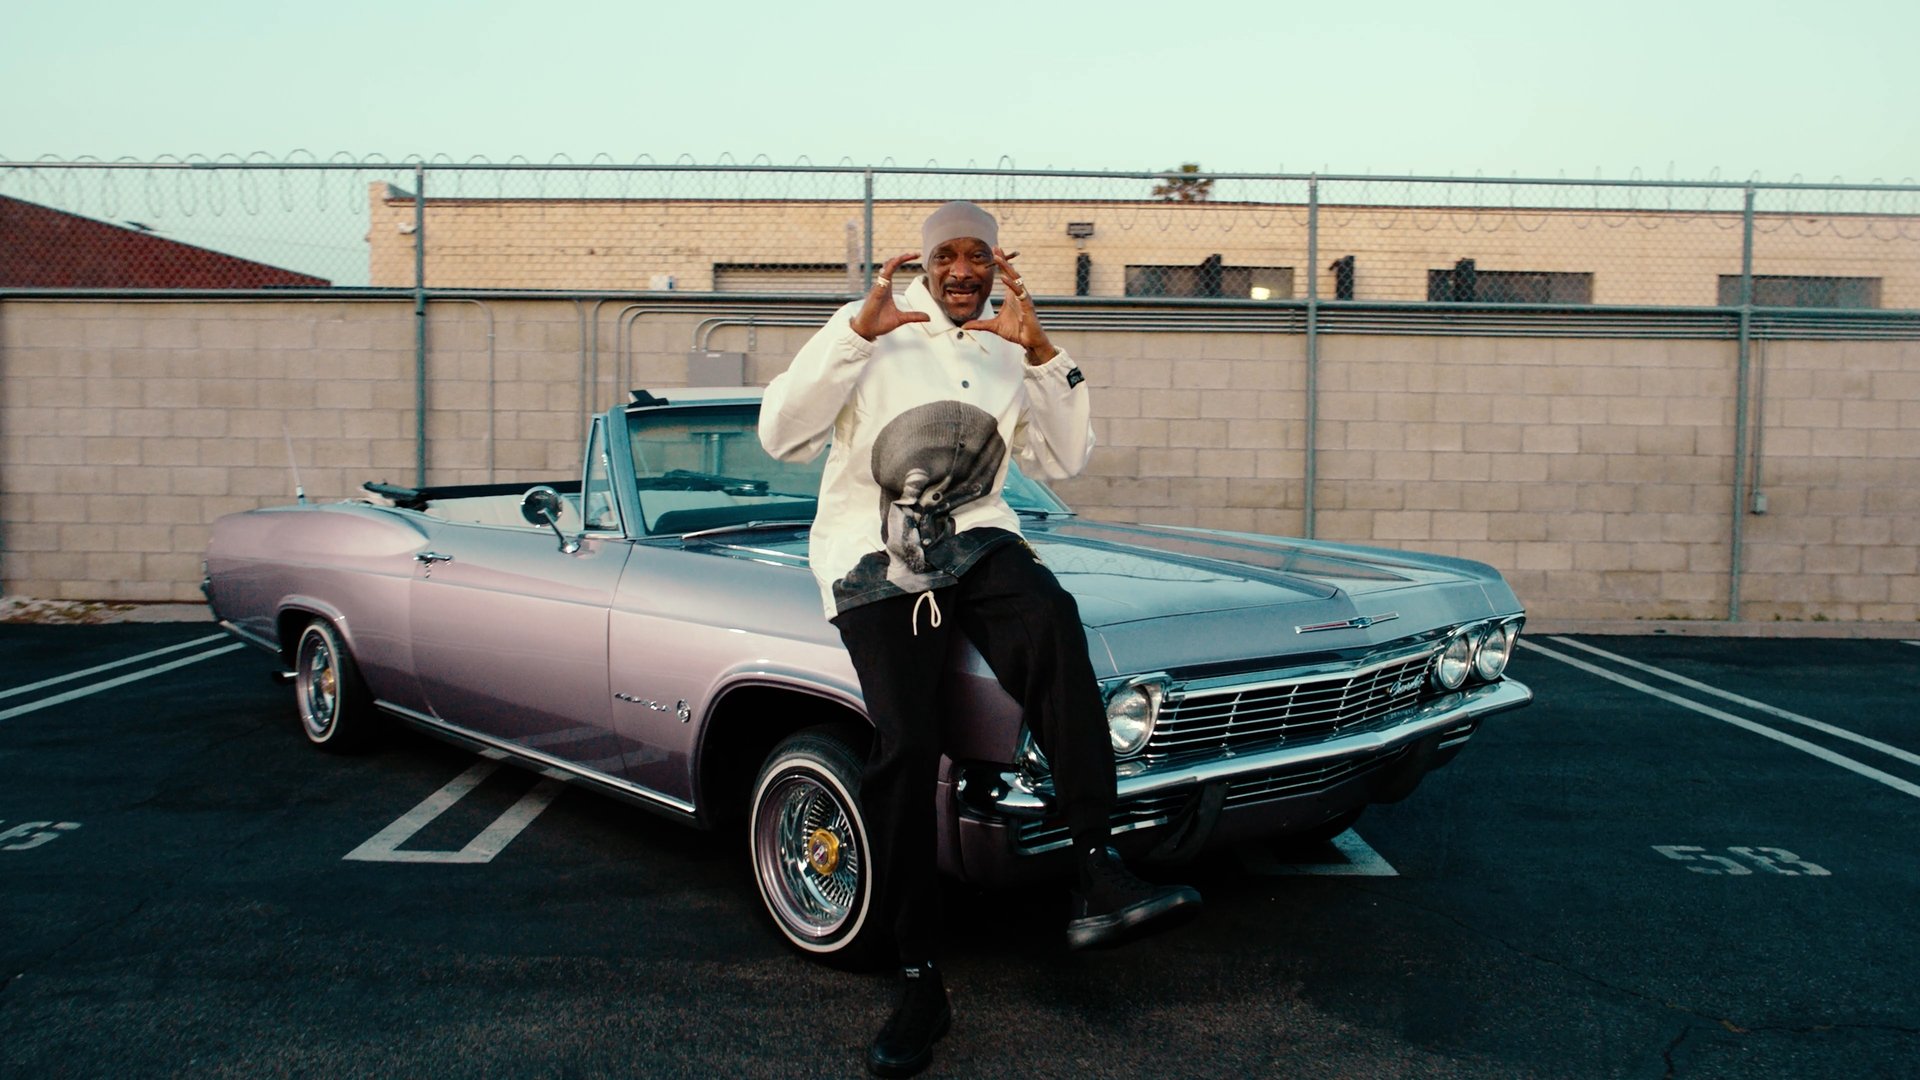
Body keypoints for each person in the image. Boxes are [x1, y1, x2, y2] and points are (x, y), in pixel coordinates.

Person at [759, 201, 1201, 1078]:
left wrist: (1041, 354)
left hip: (979, 535)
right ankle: (919, 976)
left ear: (997, 265)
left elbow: (1066, 460)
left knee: (1053, 623)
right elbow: (781, 435)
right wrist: (855, 331)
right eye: (946, 256)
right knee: (907, 742)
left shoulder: (1008, 344)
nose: (962, 270)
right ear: (924, 263)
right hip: (875, 550)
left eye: (978, 256)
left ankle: (1095, 865)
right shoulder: (874, 329)